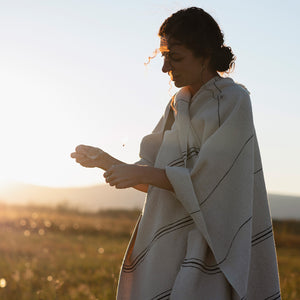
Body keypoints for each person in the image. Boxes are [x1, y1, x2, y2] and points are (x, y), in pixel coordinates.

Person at [71, 7, 281, 300]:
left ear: (205, 54)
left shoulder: (233, 102)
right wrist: (106, 161)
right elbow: (155, 182)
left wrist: (142, 172)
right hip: (166, 251)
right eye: (164, 57)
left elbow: (211, 186)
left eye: (176, 57)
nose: (165, 67)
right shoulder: (177, 106)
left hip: (210, 254)